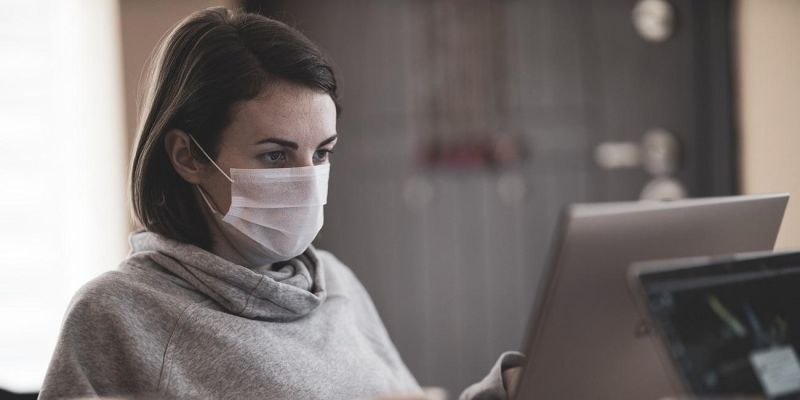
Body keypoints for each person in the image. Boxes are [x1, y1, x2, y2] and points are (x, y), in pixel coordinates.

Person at [38, 7, 524, 400]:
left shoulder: (334, 281)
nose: (307, 181)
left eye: (322, 153)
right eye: (275, 155)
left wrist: (500, 392)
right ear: (187, 156)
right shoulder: (118, 315)